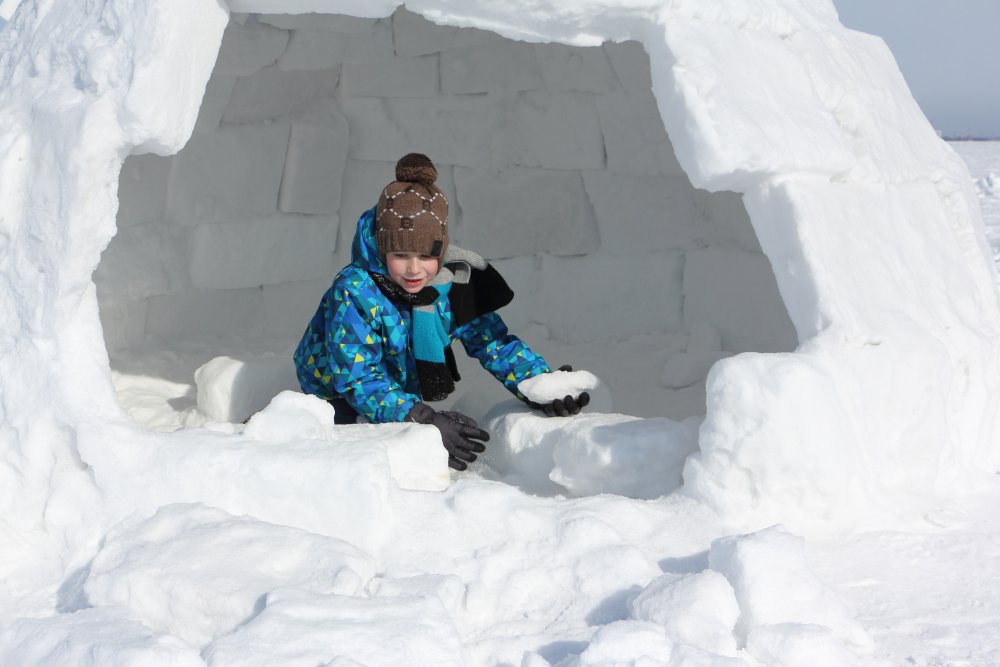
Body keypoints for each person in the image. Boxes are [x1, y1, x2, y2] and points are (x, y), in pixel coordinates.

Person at [293, 153, 590, 470]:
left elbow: (492, 342)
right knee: (360, 449)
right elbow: (358, 378)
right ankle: (275, 430)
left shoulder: (449, 284)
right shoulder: (354, 291)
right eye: (400, 254)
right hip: (332, 388)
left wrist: (538, 385)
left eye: (425, 255)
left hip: (396, 385)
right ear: (382, 249)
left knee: (399, 428)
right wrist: (422, 417)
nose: (413, 269)